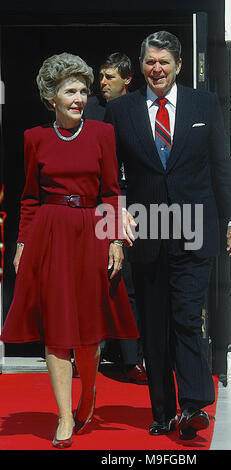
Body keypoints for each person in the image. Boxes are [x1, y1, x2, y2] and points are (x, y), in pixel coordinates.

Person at [104, 31, 231, 440]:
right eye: (150, 61)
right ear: (141, 66)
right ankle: (163, 412)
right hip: (147, 233)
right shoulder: (122, 110)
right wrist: (115, 217)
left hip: (196, 228)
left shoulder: (203, 105)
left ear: (179, 66)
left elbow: (222, 163)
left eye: (164, 61)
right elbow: (110, 175)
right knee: (155, 324)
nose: (157, 68)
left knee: (186, 317)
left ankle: (194, 405)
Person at [0, 52, 139, 448]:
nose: (79, 98)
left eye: (83, 90)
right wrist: (22, 243)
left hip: (91, 233)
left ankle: (90, 392)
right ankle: (64, 416)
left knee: (88, 333)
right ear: (52, 97)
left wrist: (115, 238)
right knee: (57, 331)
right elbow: (28, 198)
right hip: (49, 235)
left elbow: (112, 191)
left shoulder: (102, 134)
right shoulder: (34, 138)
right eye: (70, 91)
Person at [84, 52, 147, 385]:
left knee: (129, 285)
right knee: (92, 283)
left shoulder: (139, 108)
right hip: (93, 205)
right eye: (101, 76)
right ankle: (87, 354)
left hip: (133, 208)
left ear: (127, 79)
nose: (102, 83)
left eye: (110, 77)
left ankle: (131, 358)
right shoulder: (91, 109)